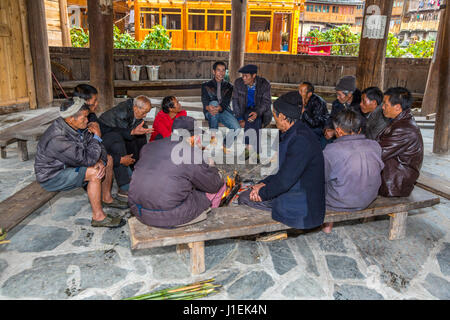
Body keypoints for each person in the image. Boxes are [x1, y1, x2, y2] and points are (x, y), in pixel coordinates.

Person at [34, 97, 126, 228]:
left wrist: (100, 159)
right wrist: (97, 137)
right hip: (52, 175)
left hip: (71, 163)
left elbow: (98, 150)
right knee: (94, 173)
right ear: (71, 119)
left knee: (109, 160)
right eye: (84, 117)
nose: (87, 120)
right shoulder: (58, 138)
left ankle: (107, 198)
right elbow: (89, 158)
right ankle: (98, 217)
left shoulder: (77, 126)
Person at [238, 97, 326, 230]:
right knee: (253, 190)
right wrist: (264, 183)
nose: (274, 120)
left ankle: (264, 231)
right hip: (297, 190)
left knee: (245, 197)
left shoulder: (300, 141)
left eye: (275, 116)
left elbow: (285, 181)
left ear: (283, 116)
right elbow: (285, 170)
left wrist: (261, 193)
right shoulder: (297, 131)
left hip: (302, 205)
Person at [128, 116, 226, 228]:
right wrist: (211, 166)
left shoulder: (149, 146)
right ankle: (210, 224)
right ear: (194, 137)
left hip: (138, 209)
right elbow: (213, 185)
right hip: (168, 216)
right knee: (219, 183)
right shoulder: (191, 153)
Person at [321, 110, 384, 233]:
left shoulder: (331, 150)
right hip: (368, 198)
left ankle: (327, 226)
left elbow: (322, 178)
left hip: (340, 202)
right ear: (359, 130)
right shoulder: (375, 145)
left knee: (318, 183)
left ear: (338, 130)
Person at [98, 95, 153, 200]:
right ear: (136, 108)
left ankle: (138, 171)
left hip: (117, 134)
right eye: (144, 112)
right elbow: (122, 134)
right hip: (103, 138)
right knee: (121, 144)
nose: (145, 115)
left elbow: (135, 128)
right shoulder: (121, 113)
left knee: (140, 135)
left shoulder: (134, 110)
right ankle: (124, 184)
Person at [377, 87, 424, 197]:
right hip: (394, 175)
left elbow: (379, 152)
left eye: (385, 104)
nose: (382, 107)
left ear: (397, 107)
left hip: (395, 182)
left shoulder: (404, 129)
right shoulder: (401, 121)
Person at [232, 64, 272, 156]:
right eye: (243, 75)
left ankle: (247, 148)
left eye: (246, 76)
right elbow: (235, 101)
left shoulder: (264, 83)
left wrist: (257, 112)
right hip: (244, 110)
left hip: (261, 112)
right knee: (252, 119)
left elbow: (266, 102)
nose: (243, 78)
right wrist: (239, 118)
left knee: (256, 119)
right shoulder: (238, 83)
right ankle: (257, 151)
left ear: (254, 75)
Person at [201, 61, 240, 148]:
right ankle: (213, 137)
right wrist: (208, 107)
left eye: (223, 70)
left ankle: (225, 145)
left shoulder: (229, 86)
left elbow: (226, 101)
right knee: (214, 103)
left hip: (223, 110)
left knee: (237, 128)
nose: (221, 73)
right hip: (209, 111)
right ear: (213, 71)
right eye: (218, 70)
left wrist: (220, 108)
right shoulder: (205, 85)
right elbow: (204, 100)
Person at [324, 75, 363, 142]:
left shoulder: (360, 106)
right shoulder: (336, 103)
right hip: (336, 133)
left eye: (339, 95)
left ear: (349, 95)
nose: (337, 97)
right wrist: (328, 128)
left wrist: (335, 132)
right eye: (337, 94)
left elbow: (356, 128)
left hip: (352, 138)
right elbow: (331, 118)